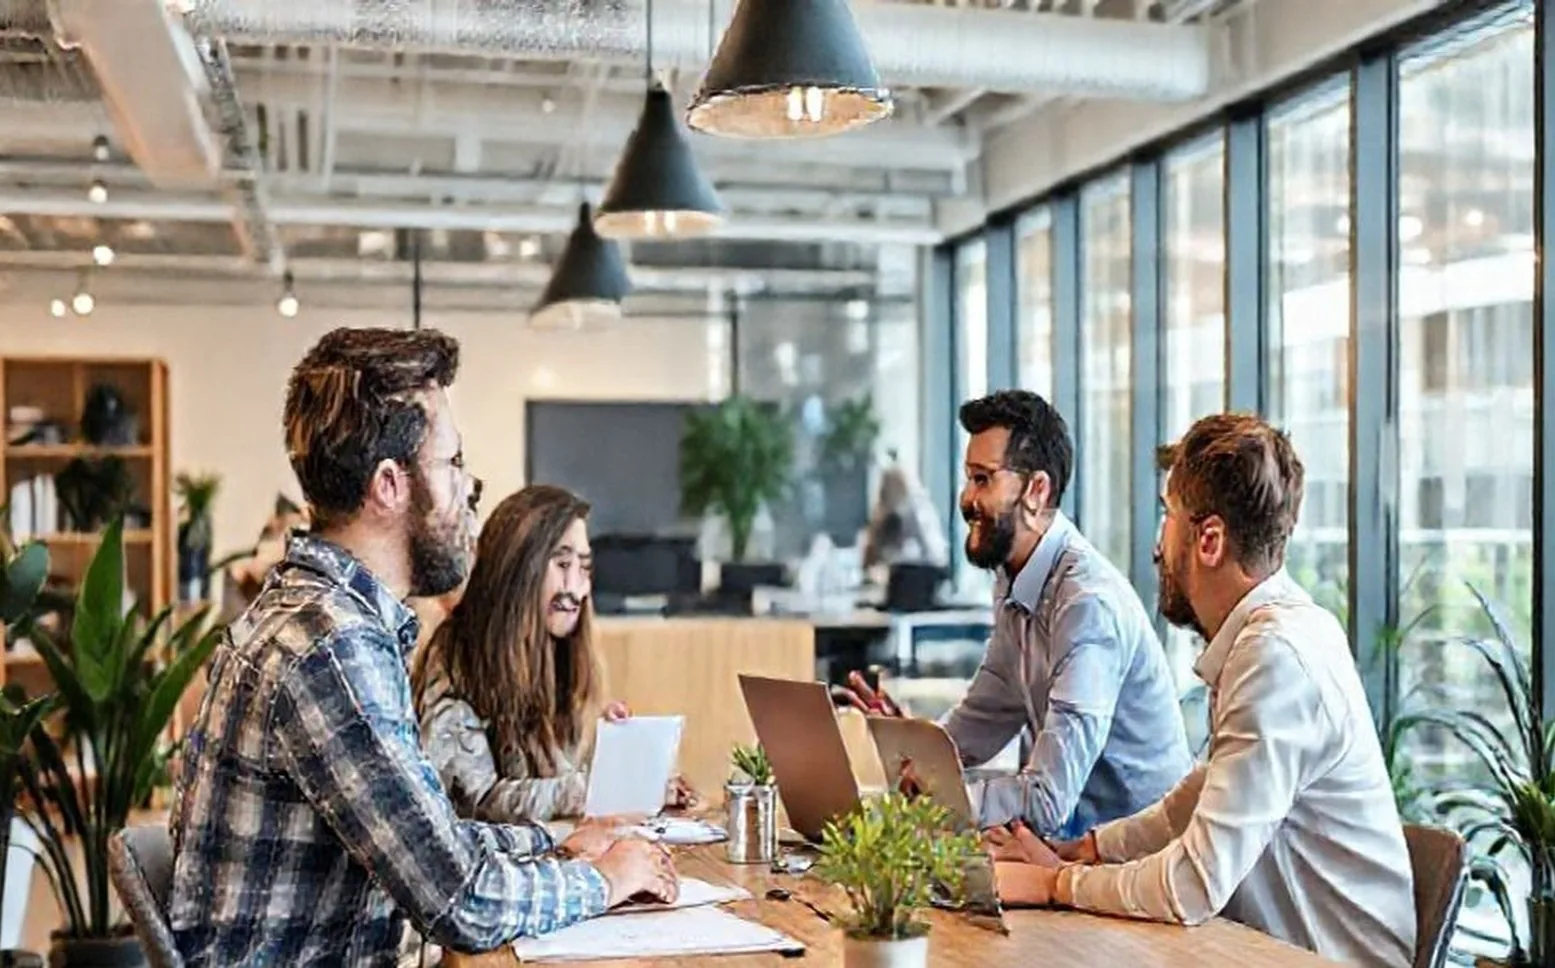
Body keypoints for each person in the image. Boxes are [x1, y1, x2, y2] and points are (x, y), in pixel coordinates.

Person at [167, 328, 676, 967]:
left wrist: (562, 842)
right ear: (390, 485)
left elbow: (431, 846)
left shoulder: (319, 619)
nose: (468, 493)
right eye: (454, 464)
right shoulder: (331, 650)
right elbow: (461, 901)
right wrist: (608, 879)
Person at [988, 413, 1415, 968]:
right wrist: (1080, 853)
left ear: (1209, 539)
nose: (1159, 544)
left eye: (1169, 516)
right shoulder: (1274, 635)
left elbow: (1192, 884)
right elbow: (1192, 803)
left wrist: (1054, 884)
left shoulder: (1276, 658)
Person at [846, 389, 1192, 838]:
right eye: (968, 478)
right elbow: (987, 714)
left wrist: (945, 800)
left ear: (1036, 490)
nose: (967, 498)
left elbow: (1047, 800)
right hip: (1069, 856)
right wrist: (915, 746)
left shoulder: (1086, 605)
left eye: (983, 479)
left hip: (1133, 868)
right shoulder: (1016, 582)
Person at [412, 484, 696, 823]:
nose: (576, 589)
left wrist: (613, 756)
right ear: (518, 571)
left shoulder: (555, 650)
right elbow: (477, 803)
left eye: (585, 568)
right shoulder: (457, 661)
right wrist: (595, 790)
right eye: (562, 564)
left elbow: (552, 784)